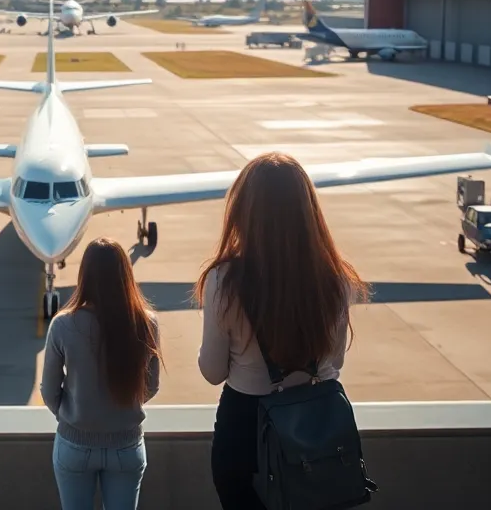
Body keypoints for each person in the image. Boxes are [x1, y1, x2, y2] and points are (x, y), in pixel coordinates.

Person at [195, 152, 367, 510]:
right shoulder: (335, 278)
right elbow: (333, 361)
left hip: (245, 429)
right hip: (316, 427)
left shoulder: (223, 280)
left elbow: (212, 372)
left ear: (243, 211)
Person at [40, 238, 162, 510]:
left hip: (75, 444)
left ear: (85, 275)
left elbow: (49, 391)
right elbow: (151, 386)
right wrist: (121, 406)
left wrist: (73, 416)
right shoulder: (146, 323)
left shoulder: (63, 325)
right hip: (126, 445)